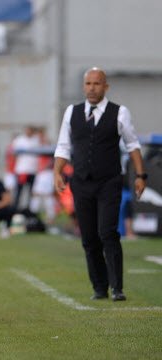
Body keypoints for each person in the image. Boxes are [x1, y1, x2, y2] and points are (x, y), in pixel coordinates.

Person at [54, 67, 146, 302]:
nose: (92, 88)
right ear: (83, 86)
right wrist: (57, 172)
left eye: (97, 84)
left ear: (105, 87)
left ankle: (117, 287)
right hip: (81, 182)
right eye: (88, 84)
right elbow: (63, 146)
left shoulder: (119, 112)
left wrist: (140, 175)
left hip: (109, 182)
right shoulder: (72, 112)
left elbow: (132, 145)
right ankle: (99, 286)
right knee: (88, 238)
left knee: (108, 232)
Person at [12, 125, 40, 210]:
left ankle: (29, 209)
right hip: (22, 170)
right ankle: (15, 209)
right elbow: (13, 153)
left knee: (31, 192)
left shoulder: (36, 140)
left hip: (32, 170)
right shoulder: (19, 140)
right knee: (19, 192)